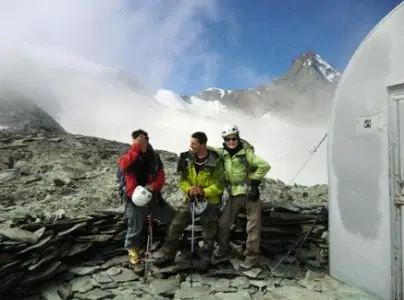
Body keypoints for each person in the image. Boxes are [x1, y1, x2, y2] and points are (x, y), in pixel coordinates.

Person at [153, 131, 225, 272]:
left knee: (208, 232)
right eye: (190, 143)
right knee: (176, 224)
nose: (190, 146)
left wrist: (203, 191)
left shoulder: (215, 162)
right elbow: (183, 181)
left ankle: (205, 259)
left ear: (203, 145)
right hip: (191, 199)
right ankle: (168, 255)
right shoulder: (187, 159)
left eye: (194, 143)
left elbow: (219, 185)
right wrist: (189, 189)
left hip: (210, 202)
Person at [118, 129, 175, 274]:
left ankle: (170, 247)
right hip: (134, 197)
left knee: (173, 217)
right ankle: (133, 253)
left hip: (152, 195)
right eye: (137, 139)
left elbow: (160, 176)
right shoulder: (129, 155)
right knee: (135, 225)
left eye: (143, 138)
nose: (141, 141)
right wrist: (136, 148)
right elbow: (123, 166)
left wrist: (154, 186)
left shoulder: (154, 157)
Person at [215, 124, 271, 270]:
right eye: (228, 140)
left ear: (238, 138)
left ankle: (251, 258)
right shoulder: (223, 154)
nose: (231, 142)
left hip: (249, 193)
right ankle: (224, 248)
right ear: (224, 141)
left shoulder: (246, 153)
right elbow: (209, 149)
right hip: (234, 194)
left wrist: (254, 179)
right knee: (223, 224)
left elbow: (264, 165)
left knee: (253, 226)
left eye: (234, 139)